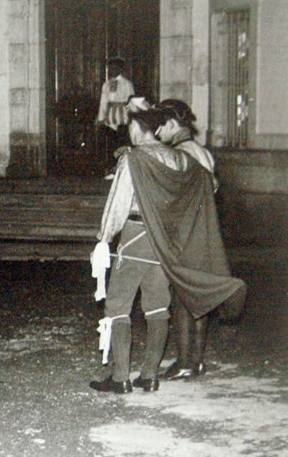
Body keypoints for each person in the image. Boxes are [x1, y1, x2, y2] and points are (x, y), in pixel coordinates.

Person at [89, 104, 245, 394]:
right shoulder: (179, 158)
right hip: (165, 242)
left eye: (130, 128)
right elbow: (207, 182)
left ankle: (120, 376)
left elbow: (118, 204)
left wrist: (103, 239)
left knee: (118, 305)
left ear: (137, 129)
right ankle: (149, 375)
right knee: (157, 306)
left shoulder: (133, 159)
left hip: (136, 236)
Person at [153, 99, 218, 380]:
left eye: (159, 126)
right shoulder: (203, 153)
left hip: (184, 234)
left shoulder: (179, 155)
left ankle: (184, 362)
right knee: (200, 298)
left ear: (171, 124)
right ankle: (197, 360)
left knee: (181, 298)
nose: (157, 133)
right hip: (205, 232)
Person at [96, 57, 136, 169]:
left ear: (120, 69)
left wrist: (131, 116)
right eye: (110, 68)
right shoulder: (106, 84)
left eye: (114, 68)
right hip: (110, 118)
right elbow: (103, 102)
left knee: (122, 142)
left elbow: (131, 101)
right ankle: (111, 167)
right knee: (111, 143)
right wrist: (101, 118)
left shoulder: (127, 84)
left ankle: (122, 167)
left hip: (122, 117)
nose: (112, 71)